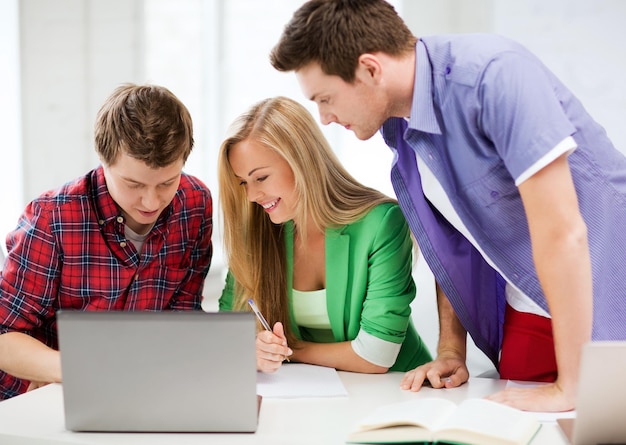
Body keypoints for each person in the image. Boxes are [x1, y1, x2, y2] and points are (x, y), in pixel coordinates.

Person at [269, 0, 626, 412]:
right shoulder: (399, 131)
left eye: (326, 98)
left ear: (370, 69)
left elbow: (563, 232)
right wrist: (451, 350)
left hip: (607, 297)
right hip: (530, 310)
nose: (325, 118)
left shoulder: (493, 76)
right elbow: (451, 242)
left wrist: (574, 384)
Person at [0, 83, 213, 400]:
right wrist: (73, 370)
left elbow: (183, 318)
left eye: (167, 182)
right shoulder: (53, 218)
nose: (151, 201)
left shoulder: (194, 204)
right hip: (44, 396)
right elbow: (6, 335)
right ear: (104, 160)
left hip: (140, 391)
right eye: (133, 183)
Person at [218, 96, 431, 374]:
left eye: (261, 178)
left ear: (302, 162)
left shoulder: (382, 223)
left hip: (397, 389)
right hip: (310, 394)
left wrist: (287, 351)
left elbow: (377, 354)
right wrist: (254, 349)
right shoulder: (258, 232)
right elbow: (226, 335)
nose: (252, 195)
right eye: (243, 183)